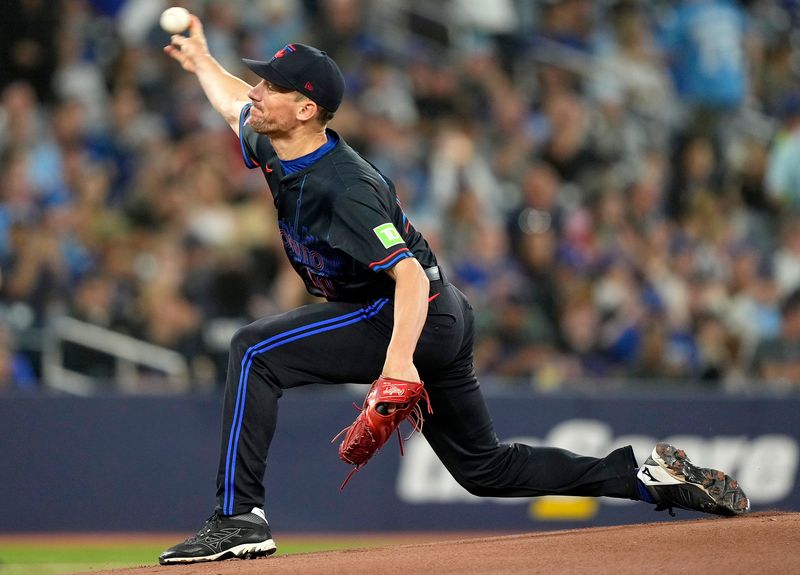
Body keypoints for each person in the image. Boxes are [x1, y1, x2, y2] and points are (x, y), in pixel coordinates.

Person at [158, 15, 749, 565]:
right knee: (484, 468)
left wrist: (395, 368)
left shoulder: (345, 186)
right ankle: (641, 477)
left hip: (410, 311)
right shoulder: (276, 140)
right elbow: (232, 101)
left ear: (307, 107)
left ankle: (239, 518)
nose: (257, 90)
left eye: (271, 85)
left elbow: (409, 276)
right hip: (439, 314)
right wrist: (203, 59)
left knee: (254, 350)